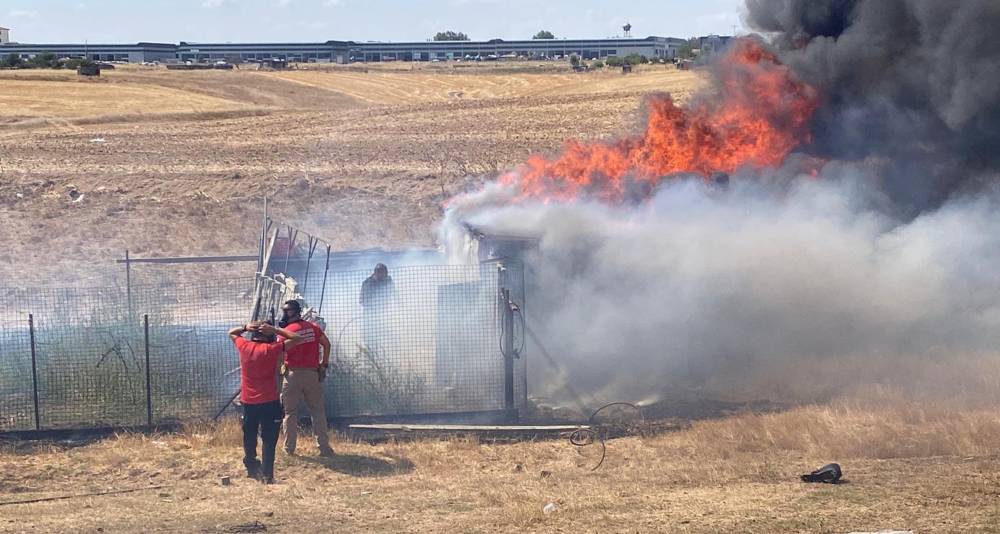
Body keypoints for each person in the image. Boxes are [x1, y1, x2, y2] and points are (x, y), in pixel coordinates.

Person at [228, 320, 303, 484]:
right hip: (270, 400)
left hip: (248, 401)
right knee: (269, 438)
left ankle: (250, 463)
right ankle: (267, 474)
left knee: (249, 434)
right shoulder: (272, 349)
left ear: (253, 334)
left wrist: (245, 327)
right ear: (269, 336)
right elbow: (297, 338)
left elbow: (232, 333)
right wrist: (275, 330)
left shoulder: (244, 346)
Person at [277, 299, 334, 457]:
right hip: (312, 374)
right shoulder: (313, 328)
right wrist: (324, 364)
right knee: (317, 411)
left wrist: (280, 369)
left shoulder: (286, 331)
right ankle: (324, 447)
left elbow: (279, 353)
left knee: (290, 413)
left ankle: (289, 449)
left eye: (286, 311)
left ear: (291, 312)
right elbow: (327, 344)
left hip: (292, 375)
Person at [359, 263, 396, 353]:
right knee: (370, 334)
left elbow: (394, 293)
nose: (385, 276)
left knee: (382, 332)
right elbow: (361, 300)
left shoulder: (388, 280)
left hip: (383, 312)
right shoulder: (368, 283)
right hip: (369, 312)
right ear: (377, 273)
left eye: (385, 274)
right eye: (383, 274)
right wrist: (373, 307)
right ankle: (370, 352)